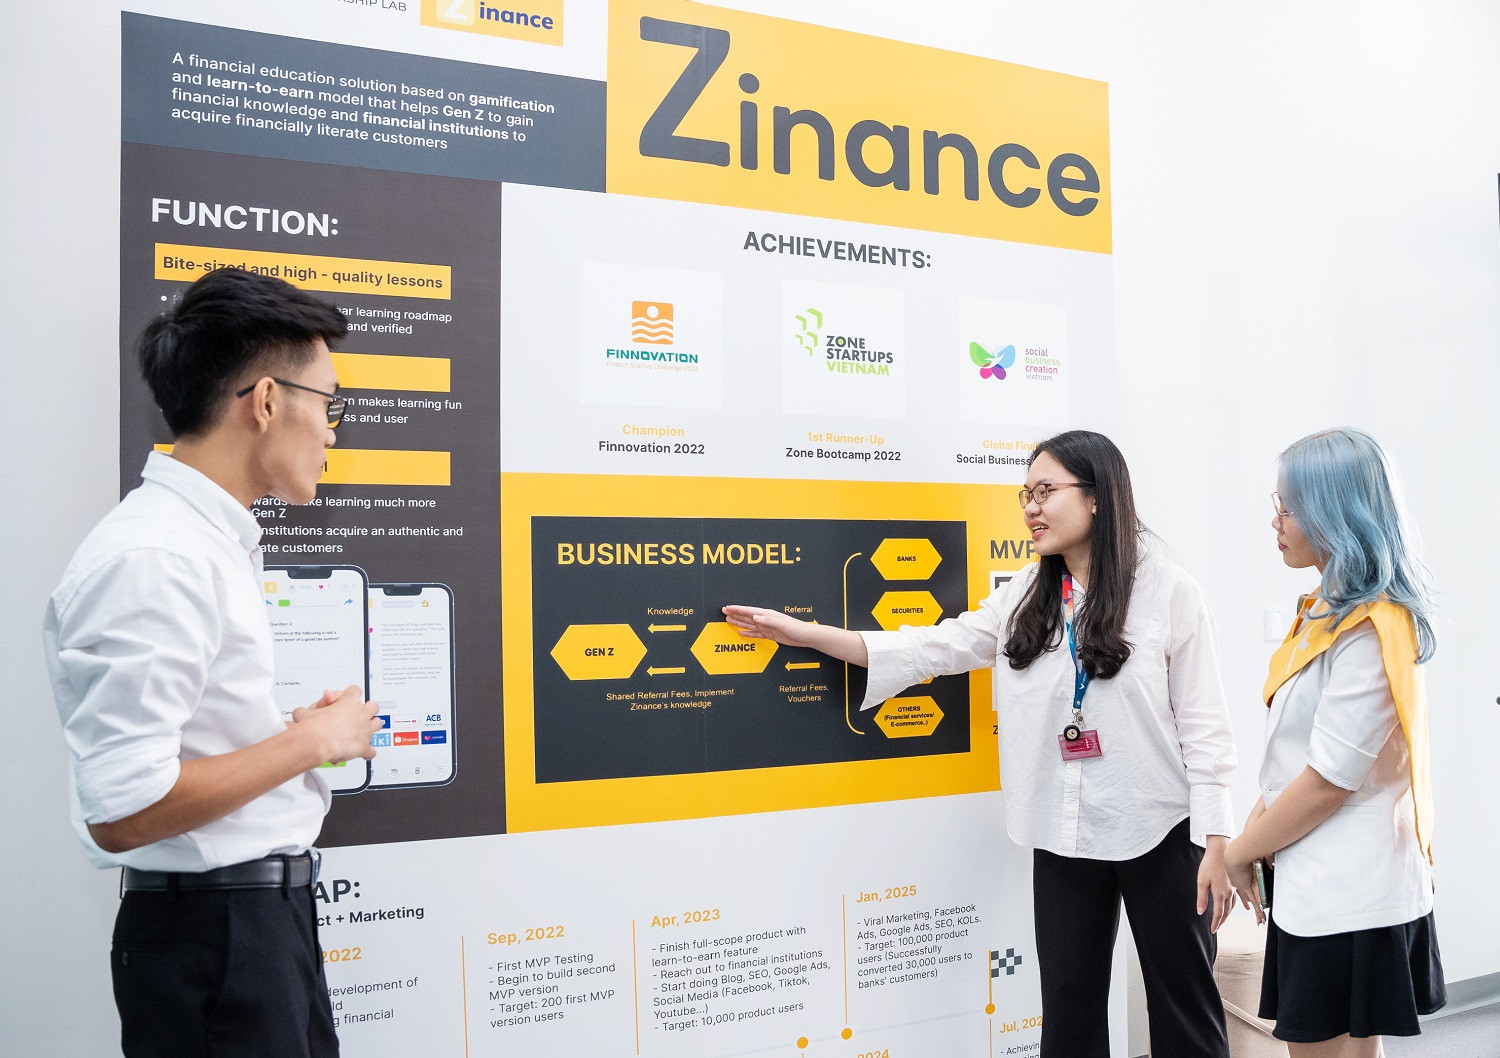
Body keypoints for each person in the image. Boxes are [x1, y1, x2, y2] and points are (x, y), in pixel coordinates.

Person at [725, 429, 1237, 1058]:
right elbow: (931, 648)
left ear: (1098, 497)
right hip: (1063, 831)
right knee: (1068, 1009)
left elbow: (1206, 728)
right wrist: (810, 635)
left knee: (1184, 1008)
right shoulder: (1025, 594)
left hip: (1160, 829)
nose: (1030, 508)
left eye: (1045, 491)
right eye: (1026, 494)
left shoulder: (1169, 591)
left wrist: (1217, 843)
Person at [43, 267, 383, 1058]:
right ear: (266, 402)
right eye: (328, 404)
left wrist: (288, 739)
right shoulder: (157, 557)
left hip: (252, 931)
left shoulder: (201, 545)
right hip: (217, 942)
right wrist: (310, 743)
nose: (333, 432)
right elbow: (124, 810)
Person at [1225, 428, 1444, 1056]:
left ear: (1334, 514)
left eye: (1288, 507)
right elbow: (1296, 756)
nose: (1276, 521)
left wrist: (1242, 851)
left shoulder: (1374, 626)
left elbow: (1327, 782)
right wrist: (1258, 827)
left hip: (1351, 889)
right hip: (1321, 877)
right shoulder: (1328, 610)